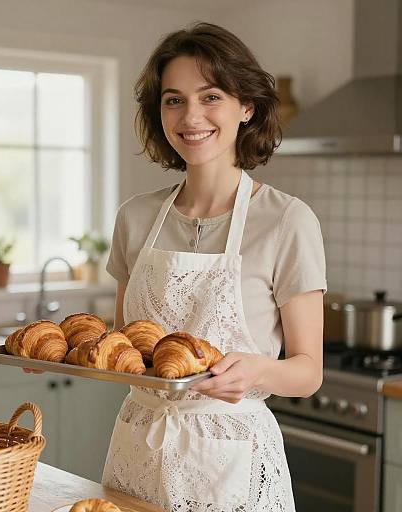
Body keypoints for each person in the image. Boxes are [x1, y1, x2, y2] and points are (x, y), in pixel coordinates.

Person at [101, 22, 326, 512]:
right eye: (174, 99)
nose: (191, 116)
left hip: (234, 459)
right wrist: (63, 358)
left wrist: (258, 370)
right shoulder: (135, 218)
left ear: (246, 107)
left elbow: (309, 372)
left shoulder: (287, 220)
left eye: (211, 96)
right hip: (139, 447)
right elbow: (126, 346)